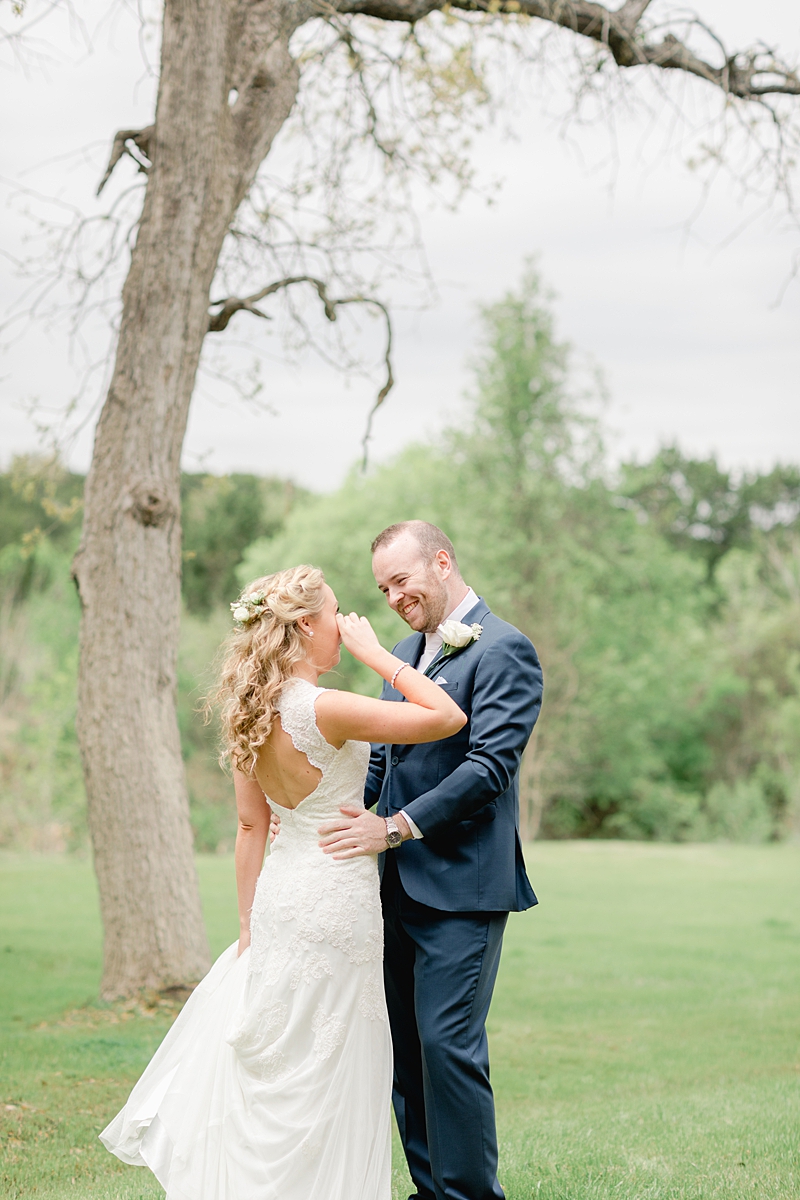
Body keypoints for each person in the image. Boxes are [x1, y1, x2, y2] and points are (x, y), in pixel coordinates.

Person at [99, 563, 465, 1200]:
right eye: (336, 618)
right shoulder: (326, 709)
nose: (344, 628)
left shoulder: (250, 712)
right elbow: (446, 717)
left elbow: (250, 827)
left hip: (279, 902)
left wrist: (246, 924)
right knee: (330, 1066)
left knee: (283, 1061)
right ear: (305, 626)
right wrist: (380, 656)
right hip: (337, 901)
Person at [316, 521, 543, 1200]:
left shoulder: (506, 650)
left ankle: (471, 1195)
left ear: (441, 562)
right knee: (406, 1055)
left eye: (403, 580)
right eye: (383, 587)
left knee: (448, 1049)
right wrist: (348, 814)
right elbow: (384, 758)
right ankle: (429, 1190)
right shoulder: (403, 651)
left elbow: (489, 767)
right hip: (392, 890)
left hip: (463, 887)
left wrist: (396, 828)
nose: (393, 597)